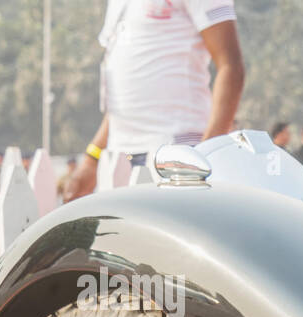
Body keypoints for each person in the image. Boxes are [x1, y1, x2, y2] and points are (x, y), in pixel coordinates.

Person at [65, 0, 246, 201]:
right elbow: (126, 98)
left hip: (178, 154)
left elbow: (231, 66)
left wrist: (205, 154)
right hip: (119, 159)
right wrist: (92, 159)